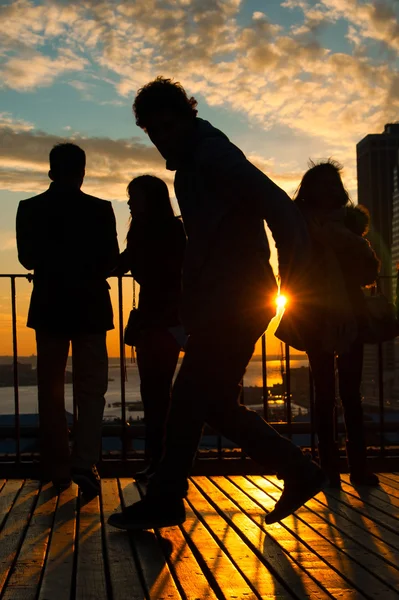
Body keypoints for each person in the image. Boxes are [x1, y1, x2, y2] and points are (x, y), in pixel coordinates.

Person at [108, 77, 326, 532]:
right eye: (151, 130)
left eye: (166, 126)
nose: (160, 137)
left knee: (188, 399)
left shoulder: (211, 154)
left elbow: (280, 209)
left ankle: (168, 497)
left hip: (235, 302)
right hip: (221, 303)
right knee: (213, 404)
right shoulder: (193, 161)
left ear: (187, 115)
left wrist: (295, 290)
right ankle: (299, 470)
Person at [16, 143, 119, 495]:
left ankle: (57, 465)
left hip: (49, 305)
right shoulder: (101, 209)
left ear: (50, 171)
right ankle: (85, 460)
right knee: (92, 389)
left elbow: (27, 259)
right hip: (91, 306)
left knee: (51, 388)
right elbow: (110, 260)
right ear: (83, 172)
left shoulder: (29, 209)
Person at [276, 160, 380, 488]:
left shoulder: (351, 230)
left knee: (350, 394)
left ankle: (358, 466)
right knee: (324, 393)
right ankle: (330, 467)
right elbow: (292, 268)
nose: (329, 190)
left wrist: (349, 245)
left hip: (351, 315)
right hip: (315, 315)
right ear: (309, 190)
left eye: (333, 185)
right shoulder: (300, 226)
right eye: (322, 184)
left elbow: (369, 274)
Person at [119, 175, 186, 481]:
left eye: (134, 196)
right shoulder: (165, 230)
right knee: (157, 392)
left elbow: (125, 264)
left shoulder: (159, 232)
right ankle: (160, 461)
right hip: (161, 321)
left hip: (161, 321)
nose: (130, 202)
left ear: (150, 199)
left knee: (156, 393)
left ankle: (159, 461)